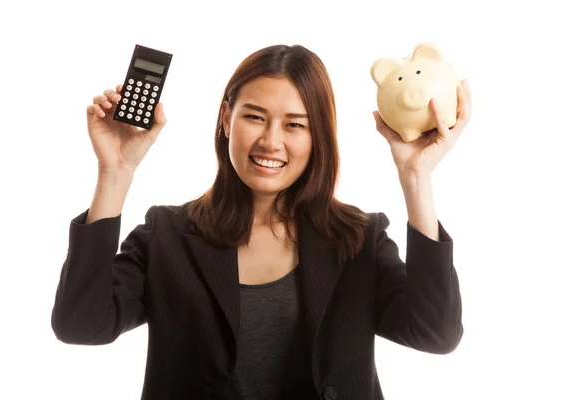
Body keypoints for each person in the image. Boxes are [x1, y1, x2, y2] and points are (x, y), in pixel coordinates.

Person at [51, 44, 471, 400]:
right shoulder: (167, 235)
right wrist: (116, 171)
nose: (271, 140)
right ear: (226, 118)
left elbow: (435, 334)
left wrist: (416, 178)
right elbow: (81, 325)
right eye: (254, 117)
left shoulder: (359, 239)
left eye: (295, 125)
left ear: (318, 136)